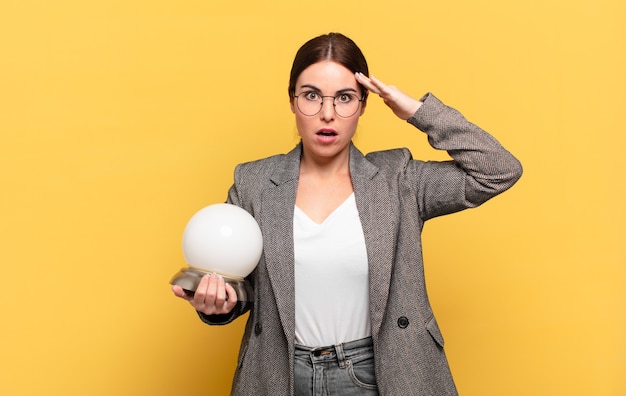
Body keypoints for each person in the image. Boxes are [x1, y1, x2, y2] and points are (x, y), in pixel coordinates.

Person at [172, 32, 522, 396]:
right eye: (311, 96)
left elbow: (498, 170)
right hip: (283, 376)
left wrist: (416, 111)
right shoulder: (254, 183)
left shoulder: (399, 179)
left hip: (381, 375)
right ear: (292, 101)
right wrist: (216, 303)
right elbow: (236, 285)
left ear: (364, 104)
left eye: (344, 98)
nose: (327, 113)